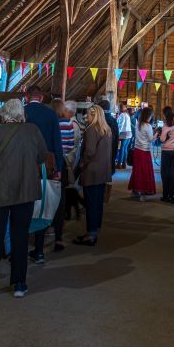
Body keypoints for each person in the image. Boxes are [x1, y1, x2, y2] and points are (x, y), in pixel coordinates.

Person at [0, 98, 49, 299]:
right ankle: (19, 284)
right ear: (21, 114)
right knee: (20, 236)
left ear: (4, 115)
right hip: (25, 190)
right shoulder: (33, 131)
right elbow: (42, 157)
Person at [23, 88, 61, 264]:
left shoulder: (22, 111)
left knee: (22, 205)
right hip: (45, 166)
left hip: (23, 165)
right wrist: (58, 167)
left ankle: (19, 249)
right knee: (41, 205)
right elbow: (57, 142)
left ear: (27, 97)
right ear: (43, 97)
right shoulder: (51, 114)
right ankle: (39, 251)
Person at [74, 105, 113, 246]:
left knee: (91, 204)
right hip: (103, 172)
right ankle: (95, 230)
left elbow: (89, 151)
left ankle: (90, 234)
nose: (86, 118)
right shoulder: (106, 130)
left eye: (87, 116)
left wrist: (82, 164)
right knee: (97, 204)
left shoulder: (91, 130)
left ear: (93, 115)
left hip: (92, 172)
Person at [128, 108, 156, 199]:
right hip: (145, 151)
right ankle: (143, 191)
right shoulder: (148, 126)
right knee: (145, 172)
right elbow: (151, 139)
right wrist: (157, 134)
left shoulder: (138, 124)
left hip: (137, 150)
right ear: (149, 116)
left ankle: (136, 190)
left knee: (137, 171)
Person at [158, 106, 174, 204]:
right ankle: (173, 196)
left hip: (166, 150)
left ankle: (165, 195)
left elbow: (162, 139)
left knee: (164, 173)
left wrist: (160, 134)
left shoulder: (166, 125)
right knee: (172, 173)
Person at [98, 98, 120, 170]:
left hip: (101, 149)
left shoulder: (98, 120)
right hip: (112, 146)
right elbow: (117, 136)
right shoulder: (113, 120)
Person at [115, 103, 133, 168]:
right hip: (129, 133)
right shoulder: (127, 114)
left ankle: (119, 164)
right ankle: (124, 164)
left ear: (120, 108)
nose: (117, 109)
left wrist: (117, 133)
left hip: (124, 133)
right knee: (125, 149)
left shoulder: (122, 115)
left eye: (118, 108)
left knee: (121, 149)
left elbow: (120, 125)